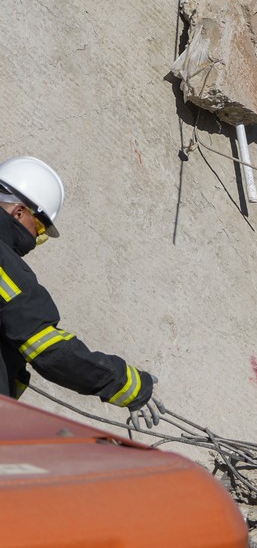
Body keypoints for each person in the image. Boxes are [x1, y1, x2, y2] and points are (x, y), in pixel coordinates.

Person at [0, 156, 160, 424]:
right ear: (18, 212)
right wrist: (127, 384)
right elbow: (47, 347)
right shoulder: (6, 265)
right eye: (39, 227)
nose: (37, 239)